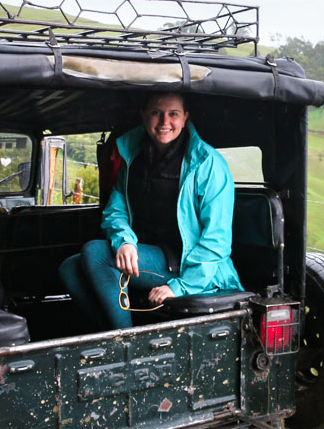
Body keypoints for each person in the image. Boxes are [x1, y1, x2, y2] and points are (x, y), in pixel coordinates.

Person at [59, 92, 243, 329]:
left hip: (190, 266)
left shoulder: (208, 163)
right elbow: (116, 210)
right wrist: (124, 241)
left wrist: (180, 287)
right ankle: (110, 332)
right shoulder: (133, 154)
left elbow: (216, 240)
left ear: (185, 117)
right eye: (156, 113)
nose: (165, 122)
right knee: (70, 267)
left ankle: (125, 341)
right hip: (148, 253)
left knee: (97, 253)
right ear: (144, 116)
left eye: (173, 114)